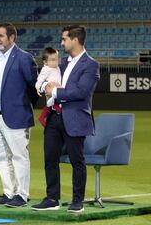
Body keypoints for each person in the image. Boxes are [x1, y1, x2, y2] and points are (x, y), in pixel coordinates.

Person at [31, 25, 100, 213]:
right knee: (50, 160)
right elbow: (47, 78)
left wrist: (55, 91)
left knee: (77, 161)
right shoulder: (61, 64)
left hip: (75, 118)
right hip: (54, 117)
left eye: (64, 39)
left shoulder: (91, 64)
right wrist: (46, 85)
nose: (61, 43)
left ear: (75, 40)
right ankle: (52, 198)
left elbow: (81, 92)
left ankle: (78, 201)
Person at [0, 23, 38, 208]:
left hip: (16, 117)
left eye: (1, 36)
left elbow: (34, 88)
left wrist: (21, 107)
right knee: (2, 158)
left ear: (12, 38)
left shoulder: (24, 58)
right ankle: (8, 192)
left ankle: (21, 195)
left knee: (19, 157)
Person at [35, 47, 61, 127]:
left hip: (58, 88)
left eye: (56, 59)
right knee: (53, 103)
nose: (55, 62)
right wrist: (37, 87)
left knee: (51, 105)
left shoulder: (57, 67)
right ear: (45, 62)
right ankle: (43, 117)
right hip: (51, 89)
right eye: (52, 60)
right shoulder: (46, 69)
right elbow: (40, 79)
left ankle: (42, 117)